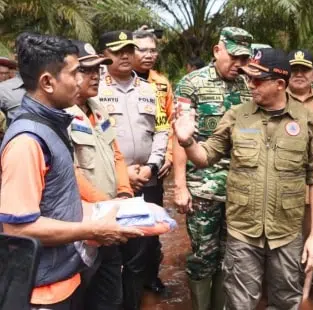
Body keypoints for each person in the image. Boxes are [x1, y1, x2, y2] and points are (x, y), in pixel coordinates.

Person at [174, 48, 313, 310]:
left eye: (257, 80)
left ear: (280, 84)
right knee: (239, 303)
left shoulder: (307, 121)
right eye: (248, 78)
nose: (249, 84)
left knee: (285, 301)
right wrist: (187, 140)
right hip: (243, 231)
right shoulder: (236, 116)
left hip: (287, 232)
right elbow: (204, 157)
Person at [0, 32, 142, 310]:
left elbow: (58, 199)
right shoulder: (27, 141)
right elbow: (18, 228)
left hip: (64, 277)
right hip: (42, 292)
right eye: (75, 72)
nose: (82, 79)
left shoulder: (52, 126)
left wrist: (110, 207)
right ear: (48, 82)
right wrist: (92, 229)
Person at [173, 26, 253, 310]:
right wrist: (180, 186)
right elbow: (180, 138)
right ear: (217, 50)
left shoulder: (250, 86)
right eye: (234, 57)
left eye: (244, 59)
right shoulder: (191, 84)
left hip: (240, 189)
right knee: (203, 256)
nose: (239, 65)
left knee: (231, 256)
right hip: (203, 188)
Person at [95, 30, 169, 310]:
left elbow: (162, 130)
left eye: (129, 50)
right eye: (117, 51)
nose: (125, 55)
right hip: (111, 183)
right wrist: (124, 173)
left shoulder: (149, 89)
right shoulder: (95, 90)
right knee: (110, 250)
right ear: (105, 56)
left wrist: (152, 165)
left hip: (147, 180)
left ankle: (133, 303)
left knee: (142, 249)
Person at [65, 40, 134, 309]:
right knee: (81, 295)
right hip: (83, 225)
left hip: (110, 220)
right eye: (87, 70)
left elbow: (116, 154)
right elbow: (71, 173)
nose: (96, 76)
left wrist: (125, 194)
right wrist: (108, 205)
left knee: (110, 297)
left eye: (99, 70)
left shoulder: (98, 107)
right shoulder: (61, 114)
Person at [132, 28, 173, 295]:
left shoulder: (161, 84)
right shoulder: (110, 83)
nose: (149, 55)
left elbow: (168, 123)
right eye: (142, 50)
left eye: (152, 50)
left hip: (155, 167)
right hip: (124, 168)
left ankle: (150, 276)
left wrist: (167, 154)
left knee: (152, 223)